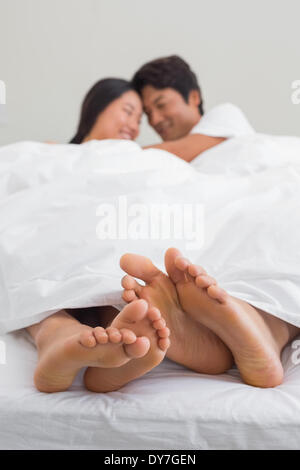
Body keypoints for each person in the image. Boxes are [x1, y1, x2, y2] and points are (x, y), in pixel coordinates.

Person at [27, 78, 234, 394]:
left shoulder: (138, 156)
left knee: (123, 256)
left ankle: (119, 334)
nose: (134, 127)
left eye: (139, 121)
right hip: (59, 220)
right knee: (29, 244)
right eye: (128, 111)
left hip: (119, 220)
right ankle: (57, 334)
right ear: (95, 107)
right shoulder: (51, 152)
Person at [131, 55, 254, 161]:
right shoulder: (170, 164)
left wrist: (117, 153)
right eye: (147, 113)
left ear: (194, 97)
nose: (154, 120)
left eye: (161, 105)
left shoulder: (226, 115)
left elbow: (181, 150)